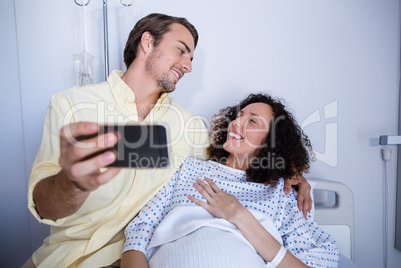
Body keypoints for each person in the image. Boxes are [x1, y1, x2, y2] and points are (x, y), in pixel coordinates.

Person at [24, 13, 312, 268]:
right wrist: (73, 184)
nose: (187, 66)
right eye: (181, 51)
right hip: (64, 257)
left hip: (133, 256)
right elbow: (44, 206)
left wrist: (292, 173)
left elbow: (244, 156)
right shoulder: (72, 105)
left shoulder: (191, 127)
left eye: (191, 59)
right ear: (147, 43)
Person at [121, 93, 339, 268]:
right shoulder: (188, 169)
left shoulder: (281, 193)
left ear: (271, 142)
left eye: (252, 120)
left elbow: (320, 261)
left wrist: (241, 216)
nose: (236, 123)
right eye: (239, 115)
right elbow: (140, 229)